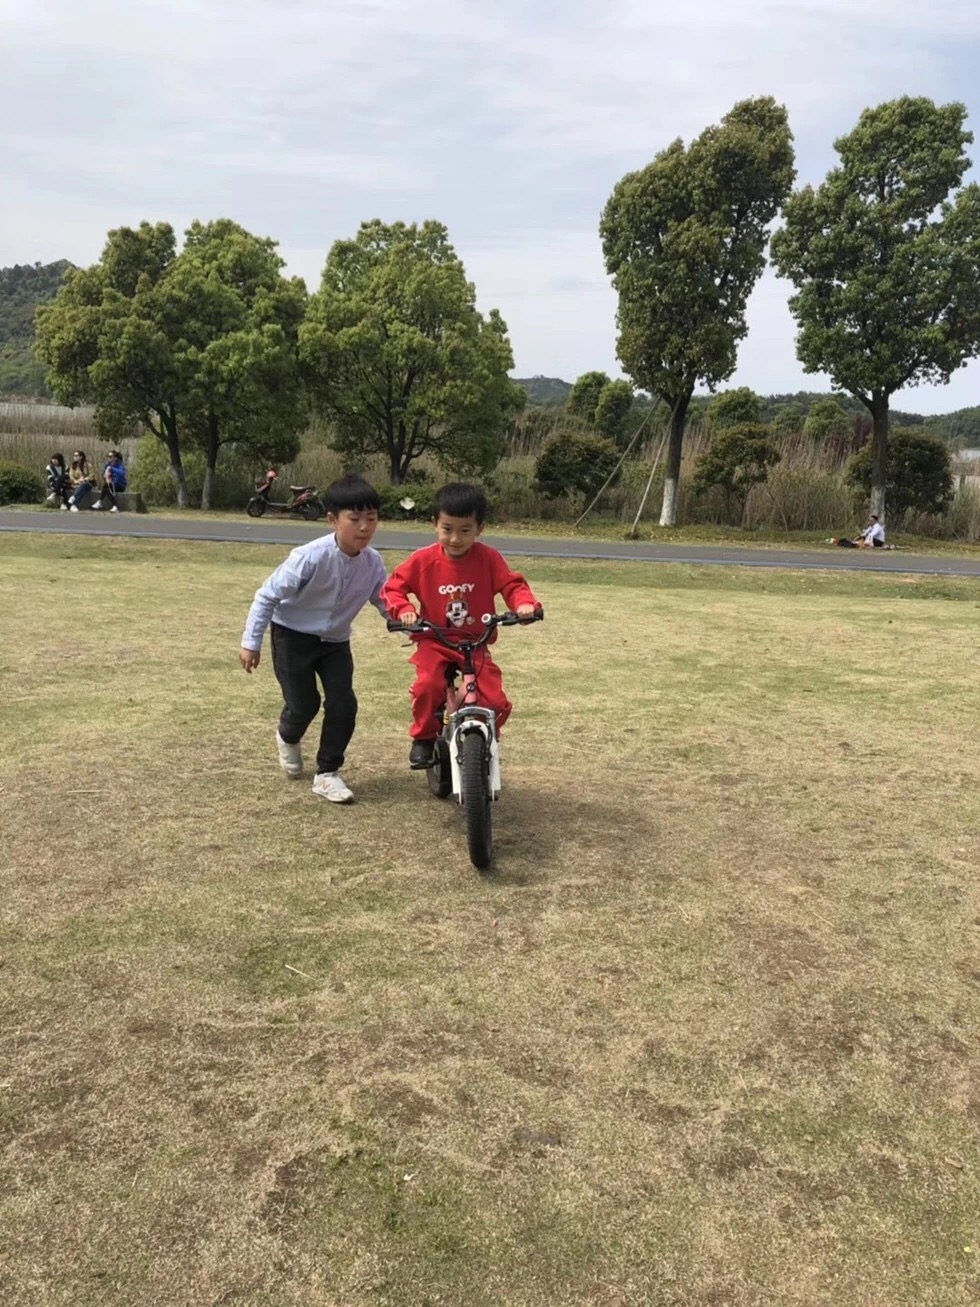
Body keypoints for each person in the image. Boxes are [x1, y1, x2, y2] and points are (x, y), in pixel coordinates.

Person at [239, 475, 387, 803]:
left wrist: (409, 623)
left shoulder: (373, 562)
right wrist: (251, 642)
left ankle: (327, 773)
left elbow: (384, 600)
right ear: (333, 519)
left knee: (344, 704)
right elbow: (266, 596)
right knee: (304, 705)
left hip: (335, 643)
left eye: (372, 518)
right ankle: (287, 736)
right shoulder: (310, 556)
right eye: (355, 519)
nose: (365, 527)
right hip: (293, 637)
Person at [380, 482, 541, 769]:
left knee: (495, 701)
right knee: (428, 686)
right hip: (435, 640)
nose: (455, 538)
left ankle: (484, 739)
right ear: (435, 524)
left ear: (480, 529)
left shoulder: (489, 559)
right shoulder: (423, 560)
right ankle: (424, 738)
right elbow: (394, 587)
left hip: (475, 643)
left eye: (465, 530)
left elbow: (513, 585)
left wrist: (524, 605)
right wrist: (404, 610)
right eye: (447, 529)